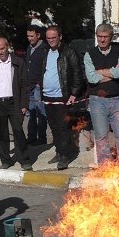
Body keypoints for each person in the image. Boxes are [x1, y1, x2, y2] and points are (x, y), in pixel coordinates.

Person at [36, 25, 84, 170]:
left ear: (60, 37)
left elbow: (77, 74)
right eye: (48, 38)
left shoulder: (69, 52)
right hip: (47, 97)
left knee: (63, 128)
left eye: (53, 37)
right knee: (54, 128)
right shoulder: (45, 52)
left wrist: (74, 94)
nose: (51, 40)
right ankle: (59, 151)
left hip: (63, 97)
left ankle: (65, 156)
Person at [0, 37, 32, 170]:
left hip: (14, 102)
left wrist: (24, 104)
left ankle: (24, 160)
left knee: (18, 131)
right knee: (1, 133)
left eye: (2, 48)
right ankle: (6, 160)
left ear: (7, 47)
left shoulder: (18, 62)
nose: (0, 52)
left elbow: (25, 86)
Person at [84, 23, 119, 165]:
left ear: (111, 37)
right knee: (101, 136)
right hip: (97, 100)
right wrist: (111, 73)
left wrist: (100, 72)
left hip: (117, 100)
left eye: (105, 37)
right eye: (99, 37)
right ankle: (105, 167)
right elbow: (91, 78)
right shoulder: (89, 54)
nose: (102, 40)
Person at [24, 25, 49, 146]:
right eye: (28, 36)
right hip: (29, 86)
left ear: (38, 35)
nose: (29, 38)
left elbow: (45, 68)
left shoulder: (44, 49)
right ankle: (31, 137)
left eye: (31, 36)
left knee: (41, 113)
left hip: (39, 86)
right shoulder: (29, 48)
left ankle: (42, 138)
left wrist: (40, 83)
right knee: (31, 113)